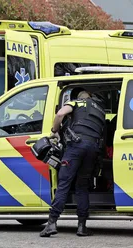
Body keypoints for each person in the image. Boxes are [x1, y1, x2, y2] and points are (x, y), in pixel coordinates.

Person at [40, 88, 105, 237]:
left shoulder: (77, 103)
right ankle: (82, 226)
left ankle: (51, 223)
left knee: (64, 183)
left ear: (80, 98)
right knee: (82, 186)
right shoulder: (100, 111)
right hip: (93, 148)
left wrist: (54, 130)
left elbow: (60, 114)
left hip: (76, 146)